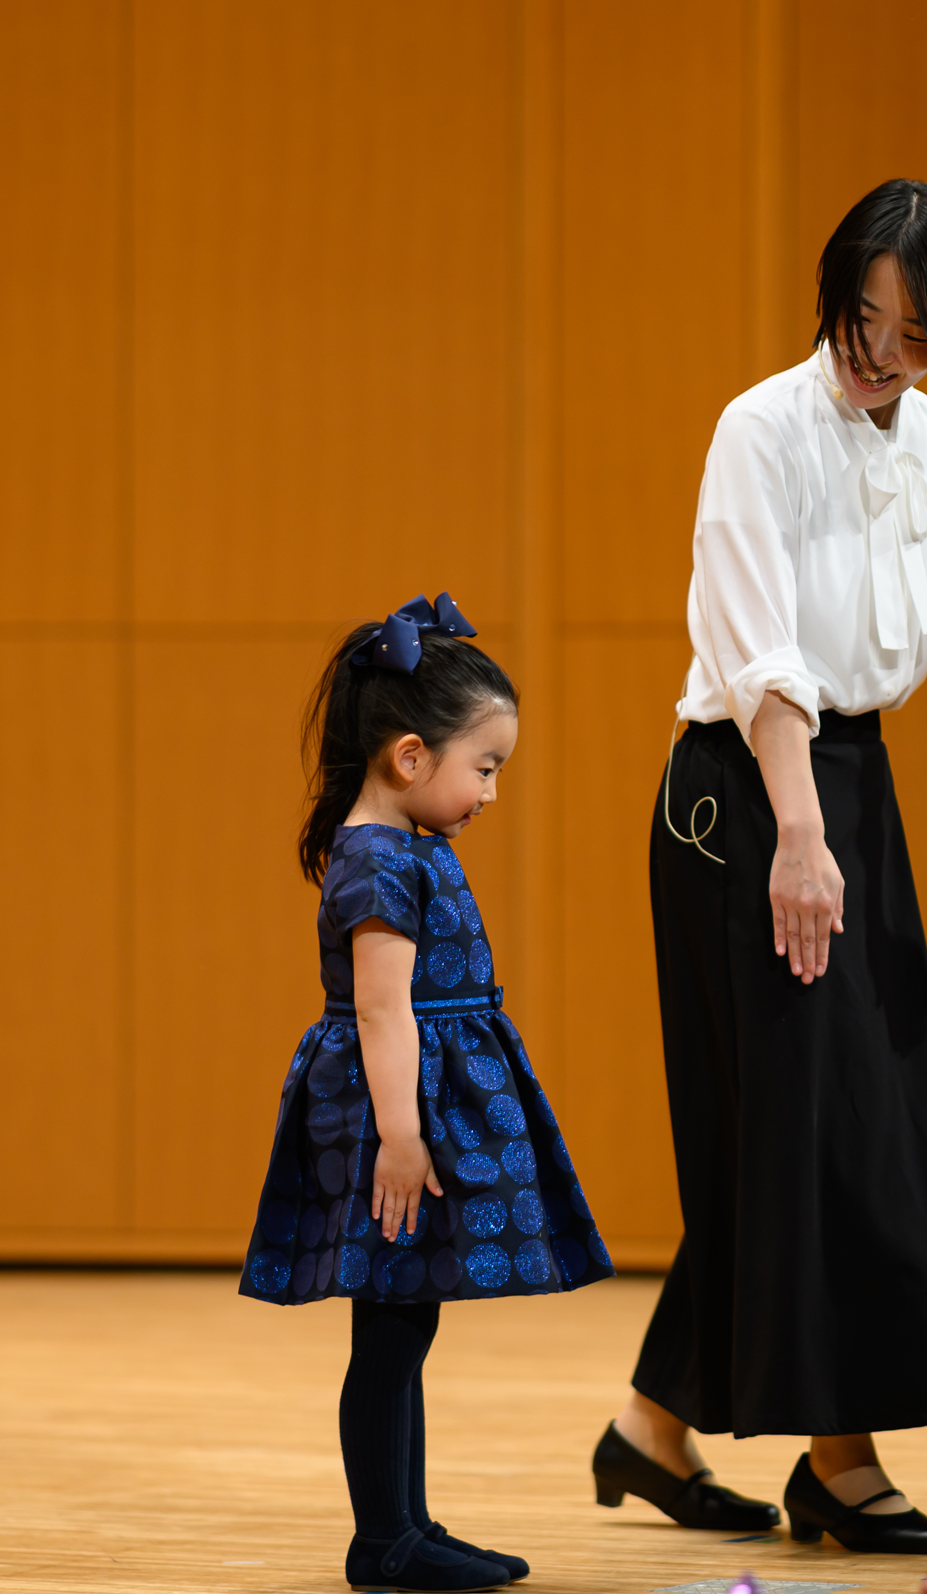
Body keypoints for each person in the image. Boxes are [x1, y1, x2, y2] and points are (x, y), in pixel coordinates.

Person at [589, 179, 927, 1555]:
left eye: (911, 335)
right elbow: (760, 655)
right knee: (822, 1138)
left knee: (820, 1130)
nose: (879, 353)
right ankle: (839, 1467)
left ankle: (652, 1430)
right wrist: (795, 830)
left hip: (853, 792)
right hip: (742, 798)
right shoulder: (759, 429)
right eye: (863, 317)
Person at [241, 593, 613, 1592]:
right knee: (391, 1325)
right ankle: (384, 1537)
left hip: (412, 1100)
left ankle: (401, 1522)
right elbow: (379, 1012)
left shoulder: (405, 847)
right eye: (483, 767)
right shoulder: (374, 863)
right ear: (410, 756)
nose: (490, 791)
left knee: (403, 1320)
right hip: (387, 1112)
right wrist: (402, 1138)